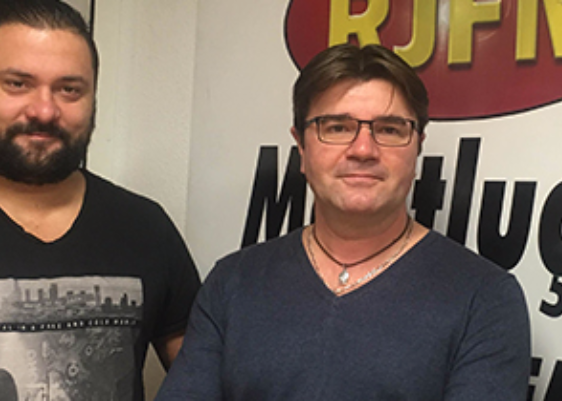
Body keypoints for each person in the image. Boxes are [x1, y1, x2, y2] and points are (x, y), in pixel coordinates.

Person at [155, 44, 530, 401]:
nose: (363, 150)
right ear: (301, 147)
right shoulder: (232, 283)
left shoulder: (485, 299)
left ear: (418, 146)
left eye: (389, 129)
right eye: (336, 127)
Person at [0, 1, 200, 400]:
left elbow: (210, 375)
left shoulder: (145, 227)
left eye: (69, 89)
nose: (44, 111)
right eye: (17, 83)